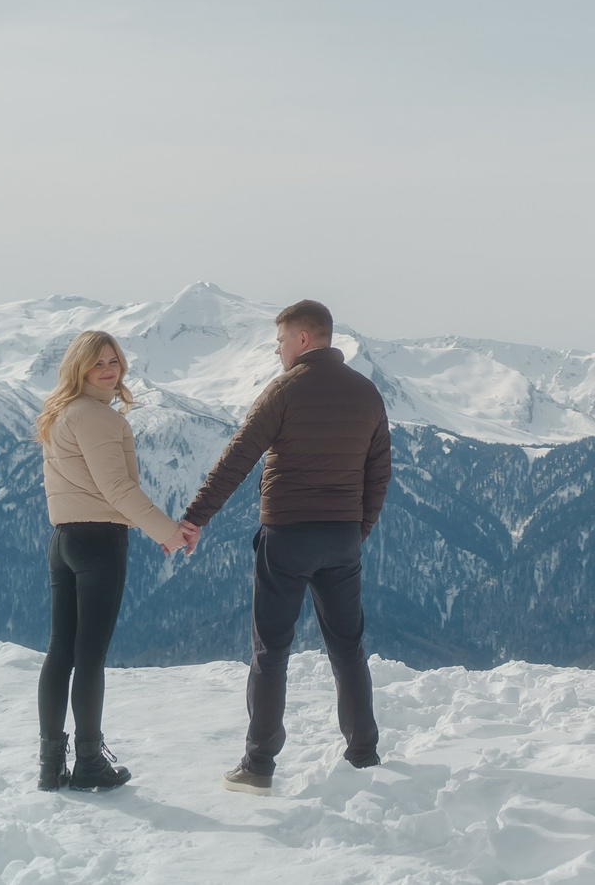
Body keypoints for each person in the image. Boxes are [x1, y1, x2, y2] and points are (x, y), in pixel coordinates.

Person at [179, 298, 392, 794]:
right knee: (347, 648)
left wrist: (194, 519)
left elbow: (238, 458)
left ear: (302, 339)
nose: (277, 352)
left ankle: (258, 766)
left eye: (279, 342)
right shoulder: (367, 394)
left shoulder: (285, 390)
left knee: (271, 651)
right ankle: (363, 753)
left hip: (287, 536)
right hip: (341, 537)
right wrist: (356, 530)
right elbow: (379, 474)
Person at [33, 329, 192, 791]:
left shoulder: (59, 415)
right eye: (98, 362)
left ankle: (49, 765)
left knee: (60, 651)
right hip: (99, 542)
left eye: (114, 360)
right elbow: (117, 489)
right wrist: (168, 532)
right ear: (79, 369)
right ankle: (88, 764)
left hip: (62, 540)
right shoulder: (99, 418)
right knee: (89, 657)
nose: (108, 369)